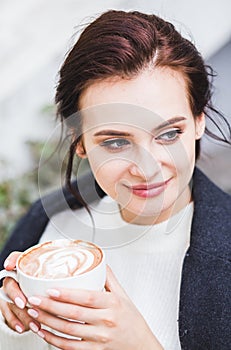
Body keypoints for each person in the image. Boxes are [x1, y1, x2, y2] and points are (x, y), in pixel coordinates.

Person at [0, 9, 230, 350]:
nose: (148, 168)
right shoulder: (47, 224)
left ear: (198, 120)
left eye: (168, 134)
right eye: (116, 142)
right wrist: (10, 321)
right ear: (80, 142)